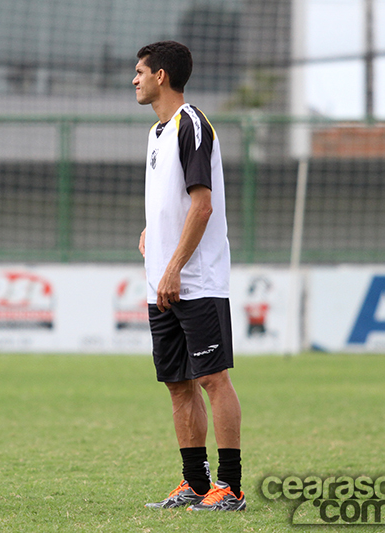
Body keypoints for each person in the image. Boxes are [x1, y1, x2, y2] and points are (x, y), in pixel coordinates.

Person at [133, 41, 245, 511]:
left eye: (139, 72)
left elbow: (203, 204)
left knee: (212, 379)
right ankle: (196, 484)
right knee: (177, 383)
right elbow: (173, 202)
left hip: (194, 279)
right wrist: (151, 234)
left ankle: (232, 486)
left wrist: (175, 265)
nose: (134, 80)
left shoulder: (191, 125)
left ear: (161, 75)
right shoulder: (157, 133)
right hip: (161, 280)